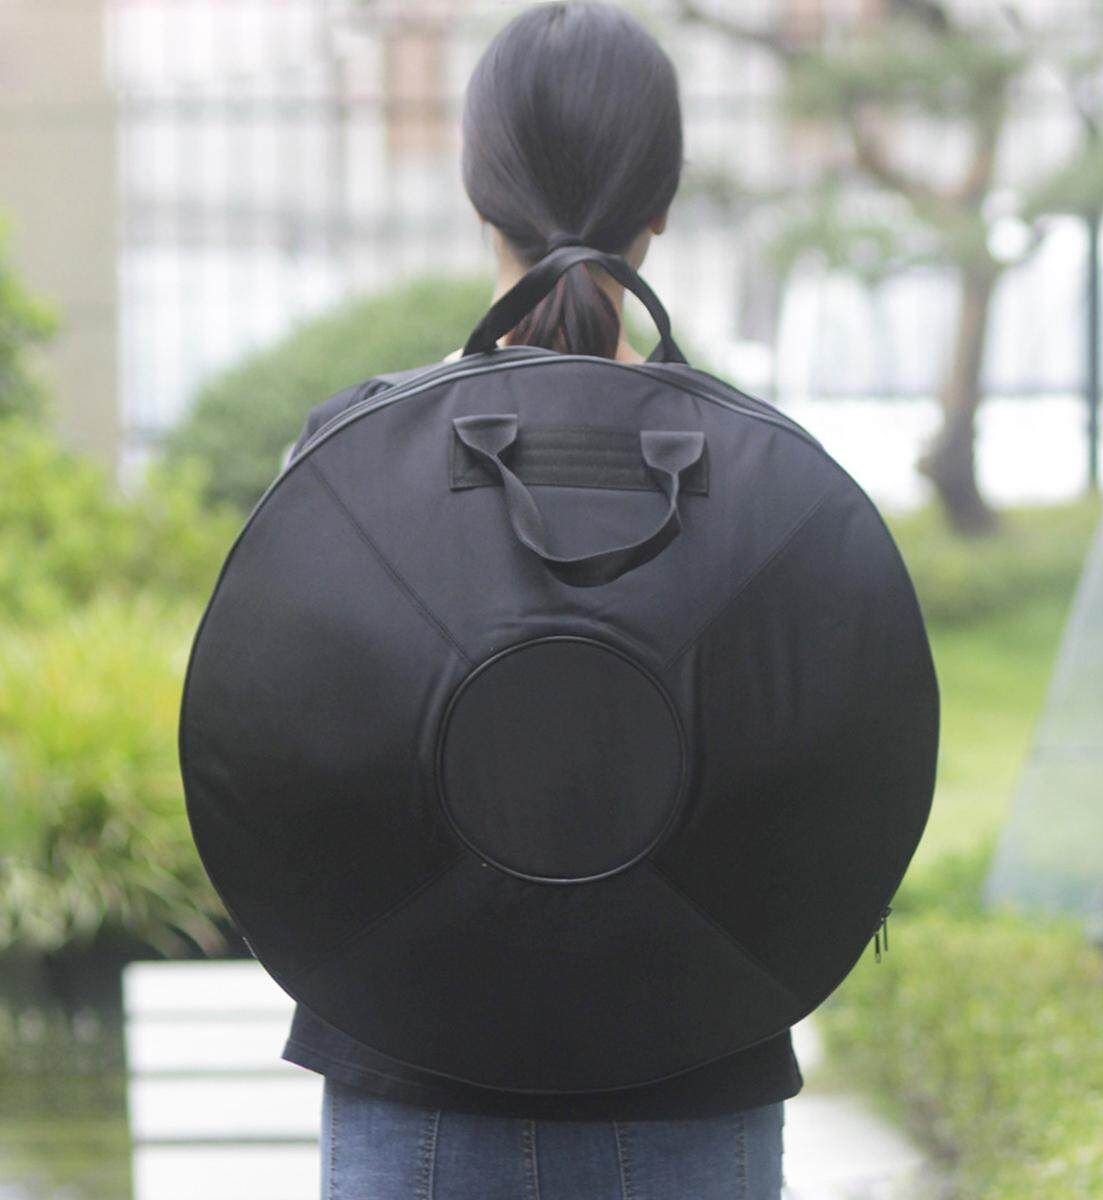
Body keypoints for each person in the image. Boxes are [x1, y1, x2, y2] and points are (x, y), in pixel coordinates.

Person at [279, 4, 800, 1197]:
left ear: (480, 193)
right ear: (662, 200)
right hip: (696, 1071)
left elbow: (291, 766)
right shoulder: (767, 477)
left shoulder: (350, 456)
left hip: (411, 1071)